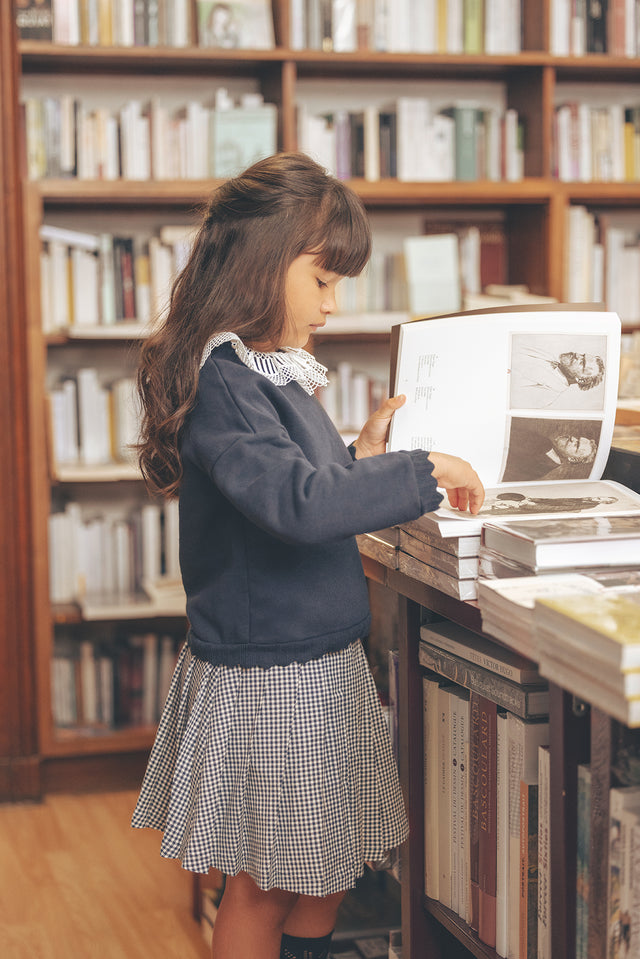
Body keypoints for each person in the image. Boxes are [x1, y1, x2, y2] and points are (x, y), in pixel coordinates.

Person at [130, 152, 484, 959]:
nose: (333, 304)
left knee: (323, 869)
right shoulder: (227, 380)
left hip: (317, 660)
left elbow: (309, 485)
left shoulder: (273, 376)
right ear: (261, 266)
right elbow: (298, 504)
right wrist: (420, 472)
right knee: (267, 881)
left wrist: (359, 453)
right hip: (273, 674)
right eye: (323, 281)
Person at [509, 340, 605, 410]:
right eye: (582, 355)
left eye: (582, 362)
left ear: (581, 380)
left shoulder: (546, 395)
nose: (576, 354)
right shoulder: (548, 356)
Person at [501, 418, 600, 482]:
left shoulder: (543, 445)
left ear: (573, 459)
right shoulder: (548, 461)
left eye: (576, 445)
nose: (572, 439)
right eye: (577, 438)